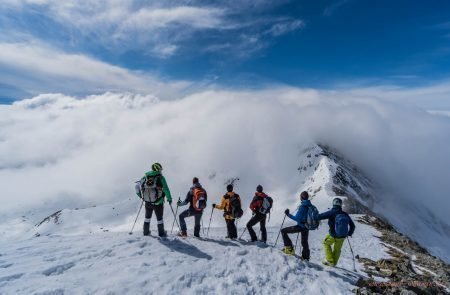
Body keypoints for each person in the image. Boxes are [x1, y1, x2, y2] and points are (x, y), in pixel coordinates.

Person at [135, 162, 172, 237]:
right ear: (158, 169)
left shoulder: (145, 177)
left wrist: (140, 196)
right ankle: (161, 234)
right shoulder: (161, 178)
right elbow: (166, 189)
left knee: (147, 218)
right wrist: (169, 198)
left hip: (147, 202)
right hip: (158, 202)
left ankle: (146, 232)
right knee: (159, 218)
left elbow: (136, 186)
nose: (161, 171)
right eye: (160, 169)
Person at [318, 198, 356, 267]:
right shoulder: (345, 214)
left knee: (326, 243)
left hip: (333, 235)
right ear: (340, 204)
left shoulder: (331, 212)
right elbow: (352, 225)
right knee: (337, 249)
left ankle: (330, 260)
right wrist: (349, 233)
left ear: (333, 204)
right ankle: (334, 263)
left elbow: (319, 216)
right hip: (342, 236)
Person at [280, 191, 312, 260]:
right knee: (304, 241)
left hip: (301, 226)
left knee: (283, 231)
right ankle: (306, 257)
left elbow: (297, 218)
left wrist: (288, 214)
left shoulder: (303, 206)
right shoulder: (309, 205)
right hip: (307, 226)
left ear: (301, 197)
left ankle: (289, 249)